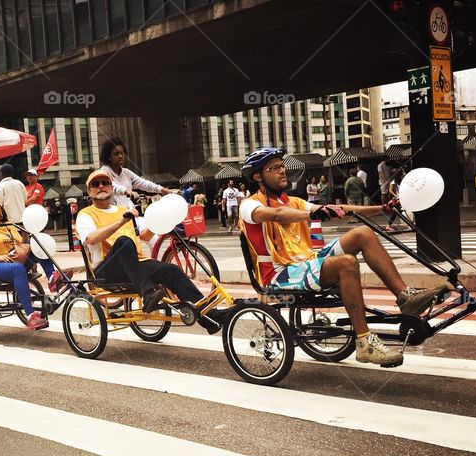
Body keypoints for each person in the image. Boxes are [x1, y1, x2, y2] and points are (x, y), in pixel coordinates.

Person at [238, 147, 449, 368]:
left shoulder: (294, 202)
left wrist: (382, 208)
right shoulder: (250, 205)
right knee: (346, 263)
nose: (282, 171)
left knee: (363, 234)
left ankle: (405, 297)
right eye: (274, 168)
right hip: (278, 273)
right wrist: (313, 213)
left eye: (282, 166)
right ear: (258, 176)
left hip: (306, 261)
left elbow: (339, 208)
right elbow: (277, 215)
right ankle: (364, 341)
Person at [76, 170, 217, 332]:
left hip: (135, 266)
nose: (101, 186)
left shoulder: (124, 210)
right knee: (124, 241)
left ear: (110, 187)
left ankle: (210, 316)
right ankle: (148, 293)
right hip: (106, 271)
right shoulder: (85, 214)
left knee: (172, 270)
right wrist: (121, 222)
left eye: (105, 183)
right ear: (89, 191)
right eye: (95, 184)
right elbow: (92, 238)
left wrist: (158, 219)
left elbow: (145, 234)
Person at [0, 195, 67, 330]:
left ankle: (52, 279)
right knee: (18, 269)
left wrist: (27, 234)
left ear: (0, 209)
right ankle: (31, 316)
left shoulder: (8, 225)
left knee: (39, 244)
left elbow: (20, 245)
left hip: (14, 262)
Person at [99, 137, 176, 209]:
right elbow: (112, 187)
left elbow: (144, 183)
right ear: (108, 157)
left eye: (122, 153)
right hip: (113, 215)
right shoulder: (103, 172)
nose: (120, 156)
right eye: (116, 154)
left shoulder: (126, 172)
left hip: (130, 212)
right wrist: (126, 191)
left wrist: (163, 190)